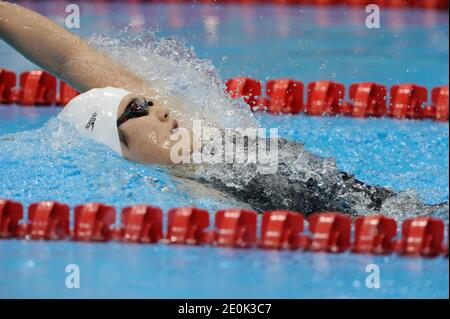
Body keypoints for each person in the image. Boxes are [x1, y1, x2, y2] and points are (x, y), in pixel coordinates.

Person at [0, 1, 446, 215]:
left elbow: (69, 57)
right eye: (138, 108)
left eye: (150, 100)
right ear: (119, 147)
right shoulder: (188, 196)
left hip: (398, 206)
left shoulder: (204, 130)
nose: (156, 106)